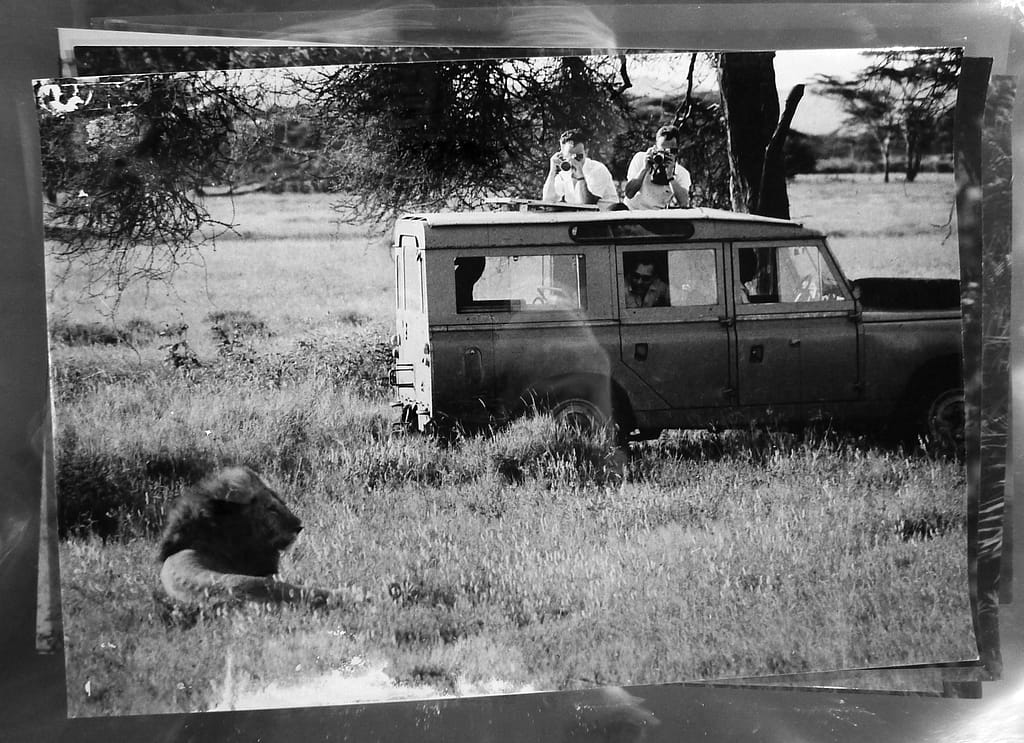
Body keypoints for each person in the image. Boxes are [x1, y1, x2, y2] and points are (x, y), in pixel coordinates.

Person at [542, 129, 618, 206]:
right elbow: (548, 201)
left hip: (606, 214)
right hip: (582, 216)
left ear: (586, 152)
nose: (573, 161)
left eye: (579, 156)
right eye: (569, 156)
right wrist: (552, 172)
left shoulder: (597, 169)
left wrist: (580, 176)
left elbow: (587, 204)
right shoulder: (563, 174)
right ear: (562, 154)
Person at [623, 125, 692, 210]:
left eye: (671, 151)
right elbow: (629, 193)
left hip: (656, 216)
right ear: (655, 148)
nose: (666, 155)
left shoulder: (681, 173)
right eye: (662, 150)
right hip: (632, 210)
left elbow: (684, 203)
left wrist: (671, 177)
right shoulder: (640, 158)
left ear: (677, 151)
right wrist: (644, 169)